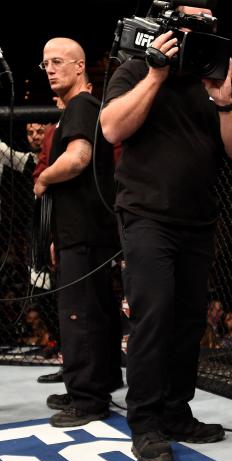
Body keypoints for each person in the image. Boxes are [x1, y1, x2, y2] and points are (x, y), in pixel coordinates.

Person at [100, 4, 232, 461]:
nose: (194, 40)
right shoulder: (134, 70)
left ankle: (176, 411)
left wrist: (224, 100)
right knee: (154, 316)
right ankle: (144, 424)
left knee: (189, 319)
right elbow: (111, 129)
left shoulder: (209, 83)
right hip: (147, 217)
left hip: (198, 221)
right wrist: (154, 76)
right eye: (187, 31)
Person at [32, 38, 122, 427]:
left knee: (79, 314)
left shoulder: (82, 106)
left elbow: (79, 158)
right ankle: (92, 384)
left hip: (85, 232)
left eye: (57, 62)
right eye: (45, 64)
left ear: (80, 66)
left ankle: (88, 399)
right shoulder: (81, 107)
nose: (50, 69)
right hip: (85, 230)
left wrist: (43, 179)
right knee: (94, 312)